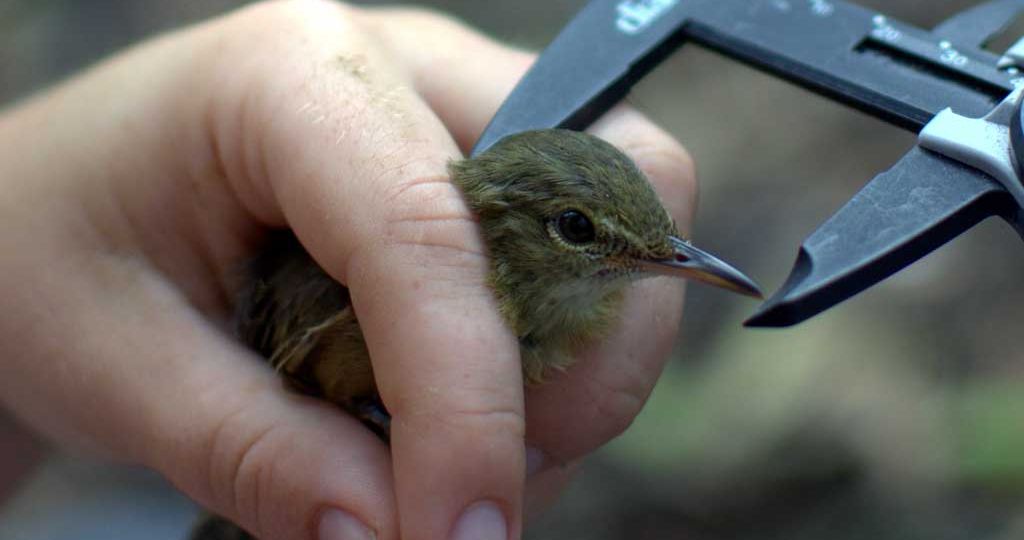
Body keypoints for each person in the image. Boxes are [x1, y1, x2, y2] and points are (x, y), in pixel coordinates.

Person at [0, 2, 695, 539]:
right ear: (506, 224)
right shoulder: (366, 280)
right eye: (580, 234)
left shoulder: (587, 319)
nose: (635, 263)